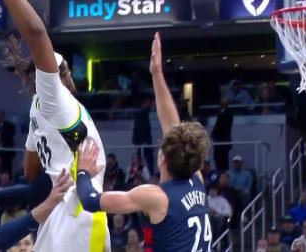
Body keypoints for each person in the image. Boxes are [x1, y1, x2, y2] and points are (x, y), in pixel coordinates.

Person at [0, 0, 109, 251]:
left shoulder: (38, 109)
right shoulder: (56, 100)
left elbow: (30, 171)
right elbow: (37, 33)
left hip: (61, 216)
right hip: (75, 215)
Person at [76, 33, 212, 251]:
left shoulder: (156, 197)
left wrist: (82, 172)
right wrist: (156, 74)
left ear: (163, 161)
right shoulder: (197, 180)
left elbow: (91, 201)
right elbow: (173, 128)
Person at [211, 98, 233, 171]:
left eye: (223, 103)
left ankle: (224, 173)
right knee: (217, 157)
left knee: (223, 159)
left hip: (223, 140)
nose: (221, 105)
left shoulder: (228, 114)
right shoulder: (220, 113)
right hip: (218, 140)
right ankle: (219, 172)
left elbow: (221, 126)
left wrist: (214, 133)